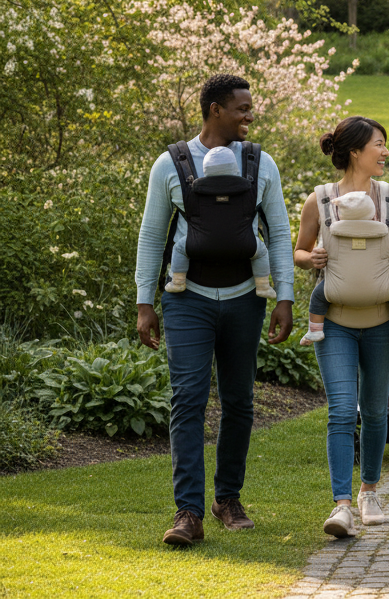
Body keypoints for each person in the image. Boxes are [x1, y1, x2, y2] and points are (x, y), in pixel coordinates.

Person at [134, 73, 295, 546]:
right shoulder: (170, 164)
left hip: (246, 297)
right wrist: (146, 303)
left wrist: (283, 296)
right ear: (214, 110)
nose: (250, 116)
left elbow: (280, 234)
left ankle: (227, 498)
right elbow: (151, 236)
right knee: (188, 401)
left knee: (240, 402)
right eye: (242, 108)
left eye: (251, 108)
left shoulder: (261, 164)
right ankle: (188, 512)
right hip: (187, 301)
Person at [294, 116, 389, 538]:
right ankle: (342, 505)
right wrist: (309, 259)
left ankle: (370, 491)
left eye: (385, 143)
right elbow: (299, 250)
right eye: (379, 144)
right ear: (354, 152)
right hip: (335, 326)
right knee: (343, 411)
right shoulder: (321, 200)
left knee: (376, 410)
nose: (385, 152)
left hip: (383, 323)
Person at [163, 145, 277, 299]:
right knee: (261, 251)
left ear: (205, 170)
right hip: (244, 242)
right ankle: (263, 285)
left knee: (179, 249)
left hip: (198, 243)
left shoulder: (196, 187)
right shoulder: (246, 187)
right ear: (235, 169)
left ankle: (177, 281)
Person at [301, 190, 389, 344]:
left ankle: (315, 330)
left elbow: (320, 252)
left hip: (336, 289)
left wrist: (315, 256)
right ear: (371, 210)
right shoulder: (386, 230)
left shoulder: (331, 231)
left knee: (318, 295)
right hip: (382, 288)